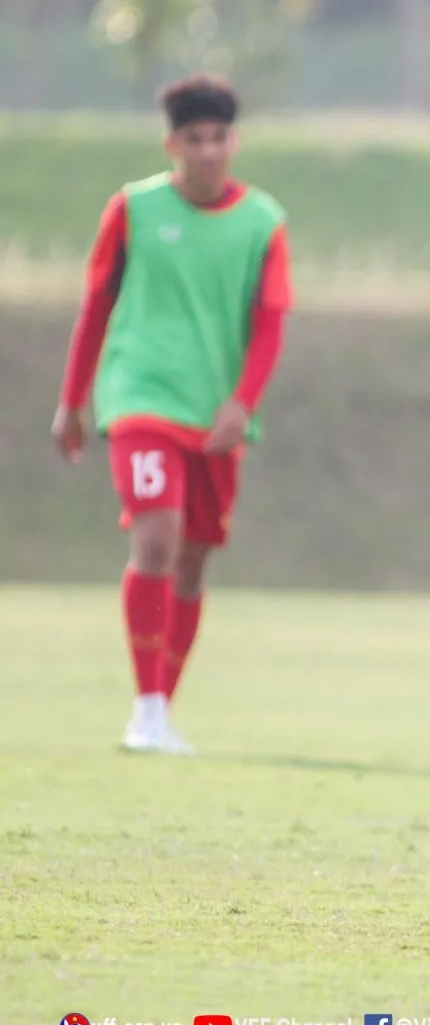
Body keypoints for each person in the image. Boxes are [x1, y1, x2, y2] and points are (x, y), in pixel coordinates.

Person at [52, 74, 292, 755]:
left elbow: (270, 325)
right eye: (195, 139)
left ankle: (163, 709)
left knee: (192, 564)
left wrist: (241, 403)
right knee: (155, 540)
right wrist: (72, 401)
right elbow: (95, 306)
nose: (209, 150)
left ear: (234, 140)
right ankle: (147, 708)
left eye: (220, 137)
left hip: (215, 412)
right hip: (140, 397)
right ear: (172, 143)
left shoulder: (263, 222)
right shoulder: (133, 209)